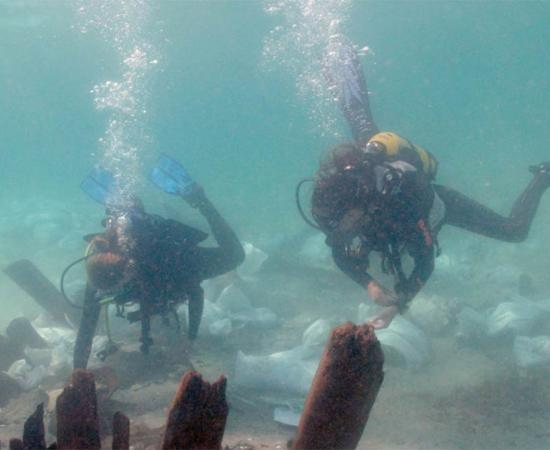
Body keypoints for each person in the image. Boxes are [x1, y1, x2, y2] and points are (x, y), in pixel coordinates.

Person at [305, 39, 550, 329]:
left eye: (347, 224)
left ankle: (544, 175)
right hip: (375, 176)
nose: (345, 231)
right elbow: (338, 251)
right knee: (363, 129)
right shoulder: (334, 202)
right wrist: (369, 284)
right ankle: (344, 74)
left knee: (515, 231)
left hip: (432, 203)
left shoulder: (398, 204)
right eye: (341, 226)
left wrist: (401, 302)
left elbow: (425, 262)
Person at [73, 184, 244, 369]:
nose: (113, 293)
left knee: (234, 256)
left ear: (129, 272)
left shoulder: (169, 263)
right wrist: (78, 371)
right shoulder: (101, 270)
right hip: (151, 279)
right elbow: (86, 328)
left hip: (177, 260)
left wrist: (190, 338)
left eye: (116, 287)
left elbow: (195, 293)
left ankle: (202, 203)